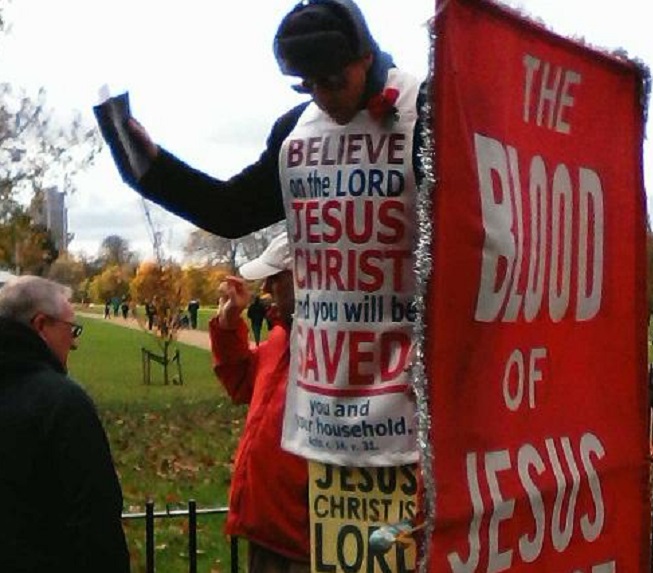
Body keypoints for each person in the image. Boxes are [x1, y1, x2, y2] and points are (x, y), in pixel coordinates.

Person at [104, 0, 423, 465]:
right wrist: (153, 168)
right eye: (308, 86)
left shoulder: (425, 111)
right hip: (324, 403)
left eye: (334, 82)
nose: (324, 99)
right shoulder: (295, 130)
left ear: (366, 59)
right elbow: (233, 211)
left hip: (412, 396)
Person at [0, 276, 130, 573]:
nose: (74, 341)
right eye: (71, 329)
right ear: (41, 325)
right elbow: (95, 520)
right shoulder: (62, 403)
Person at [210, 232, 310, 573]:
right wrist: (227, 326)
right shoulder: (280, 338)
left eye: (276, 279)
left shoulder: (332, 346)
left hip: (303, 540)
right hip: (267, 529)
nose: (266, 290)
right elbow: (242, 385)